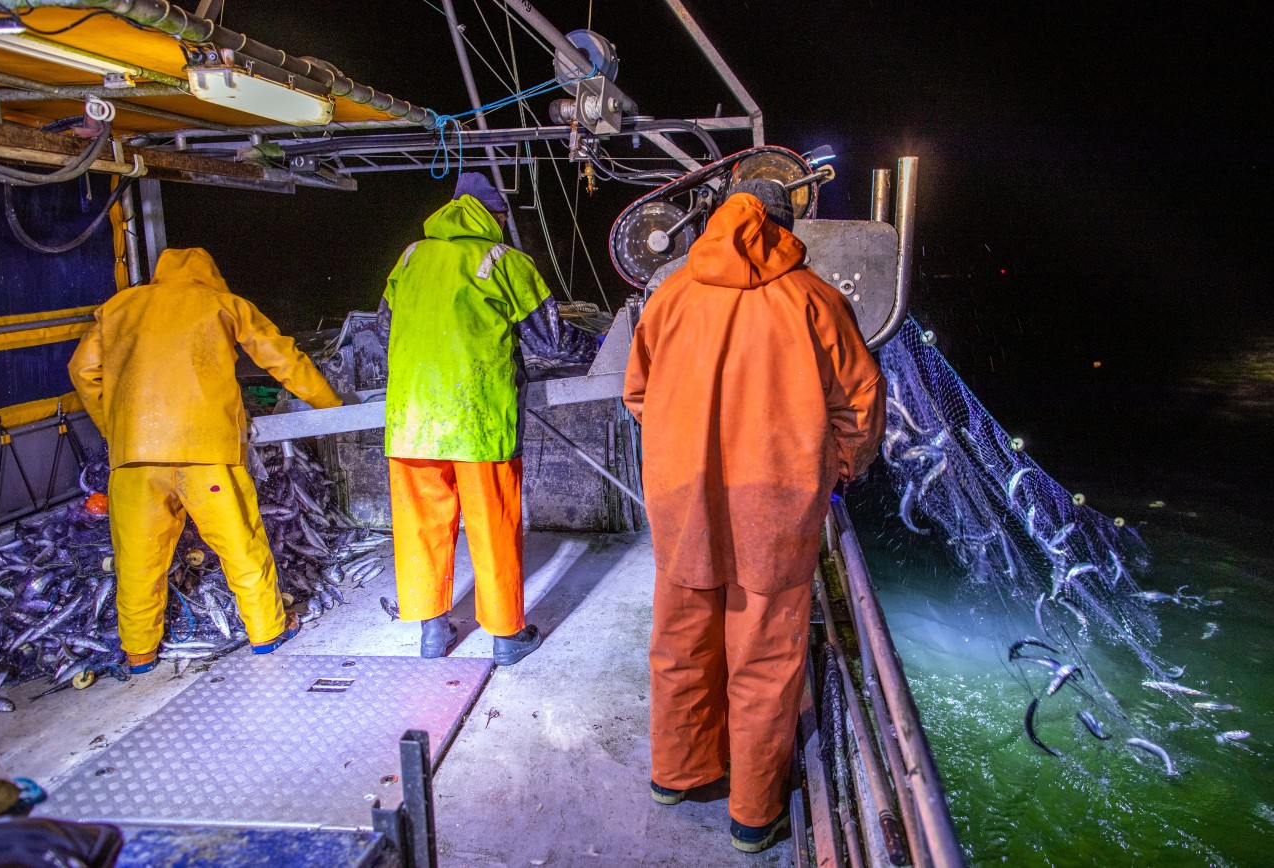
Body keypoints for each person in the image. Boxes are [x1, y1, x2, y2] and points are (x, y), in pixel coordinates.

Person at [623, 179, 887, 853]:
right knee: (765, 657)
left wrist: (682, 444)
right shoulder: (814, 300)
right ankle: (751, 815)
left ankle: (677, 775)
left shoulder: (672, 294)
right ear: (785, 224)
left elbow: (638, 395)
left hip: (683, 499)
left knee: (681, 639)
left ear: (714, 222)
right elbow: (859, 402)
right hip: (775, 504)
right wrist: (840, 467)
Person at [68, 247, 342, 673]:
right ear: (211, 274)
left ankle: (139, 651)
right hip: (208, 454)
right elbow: (281, 356)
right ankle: (266, 631)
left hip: (136, 460)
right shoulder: (223, 303)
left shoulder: (117, 308)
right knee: (241, 545)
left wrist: (117, 429)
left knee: (138, 561)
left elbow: (83, 372)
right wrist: (330, 406)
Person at [377, 172, 595, 666]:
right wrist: (601, 349)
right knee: (493, 528)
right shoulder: (504, 261)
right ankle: (505, 638)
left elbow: (384, 327)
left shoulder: (410, 257)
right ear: (495, 216)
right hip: (478, 422)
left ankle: (432, 634)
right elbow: (551, 341)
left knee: (421, 532)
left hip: (411, 422)